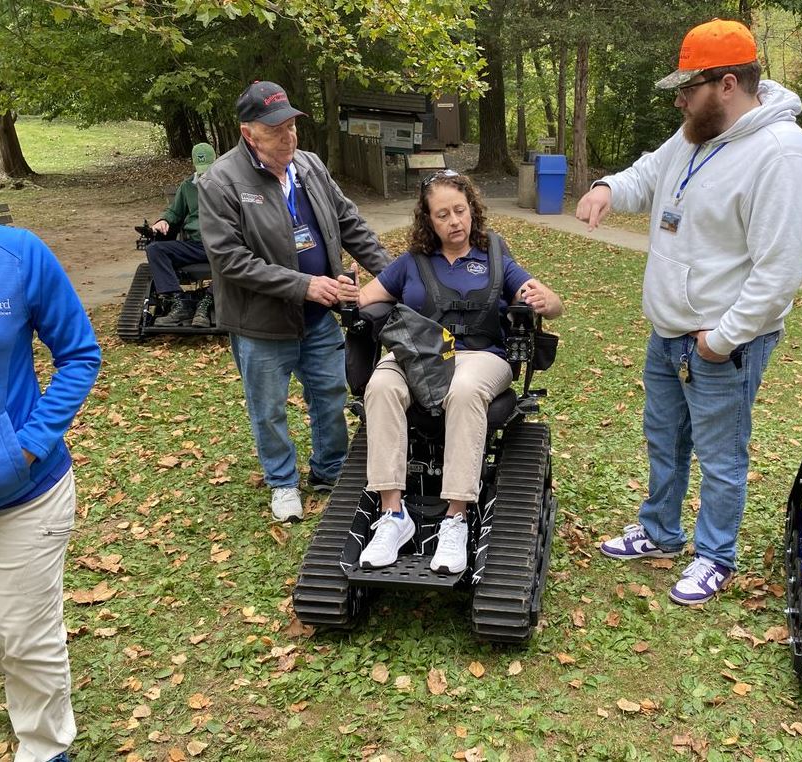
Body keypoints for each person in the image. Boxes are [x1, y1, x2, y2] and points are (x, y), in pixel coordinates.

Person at [577, 18, 802, 605]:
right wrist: (608, 187)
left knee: (720, 455)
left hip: (720, 343)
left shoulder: (783, 155)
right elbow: (649, 173)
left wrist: (724, 338)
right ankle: (660, 530)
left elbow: (779, 271)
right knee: (664, 440)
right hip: (667, 333)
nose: (680, 100)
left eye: (689, 87)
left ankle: (714, 557)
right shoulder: (695, 132)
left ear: (728, 84)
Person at [336, 170, 563, 573]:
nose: (454, 221)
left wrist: (547, 301)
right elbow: (363, 298)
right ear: (429, 220)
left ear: (472, 210)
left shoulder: (495, 257)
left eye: (460, 210)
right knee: (382, 384)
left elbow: (553, 302)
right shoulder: (411, 263)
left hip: (483, 357)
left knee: (464, 389)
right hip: (421, 355)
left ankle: (455, 519)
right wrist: (348, 294)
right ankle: (393, 515)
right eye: (443, 215)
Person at [198, 81, 391, 523]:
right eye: (275, 130)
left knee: (330, 392)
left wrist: (394, 275)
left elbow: (349, 222)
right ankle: (283, 483)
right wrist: (302, 284)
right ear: (248, 133)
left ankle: (330, 470)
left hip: (319, 316)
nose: (288, 138)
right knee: (268, 409)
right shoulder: (220, 181)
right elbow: (229, 259)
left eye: (291, 126)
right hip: (261, 325)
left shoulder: (309, 165)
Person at [0, 220, 102, 762]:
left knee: (27, 640)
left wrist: (26, 446)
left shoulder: (15, 255)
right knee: (7, 640)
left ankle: (46, 749)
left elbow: (79, 354)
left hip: (23, 495)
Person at [145, 142, 217, 327]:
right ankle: (179, 303)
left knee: (237, 255)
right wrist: (163, 221)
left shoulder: (229, 183)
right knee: (155, 249)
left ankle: (207, 302)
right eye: (201, 170)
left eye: (208, 169)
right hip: (196, 245)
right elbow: (174, 213)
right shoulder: (187, 187)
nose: (204, 174)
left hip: (221, 243)